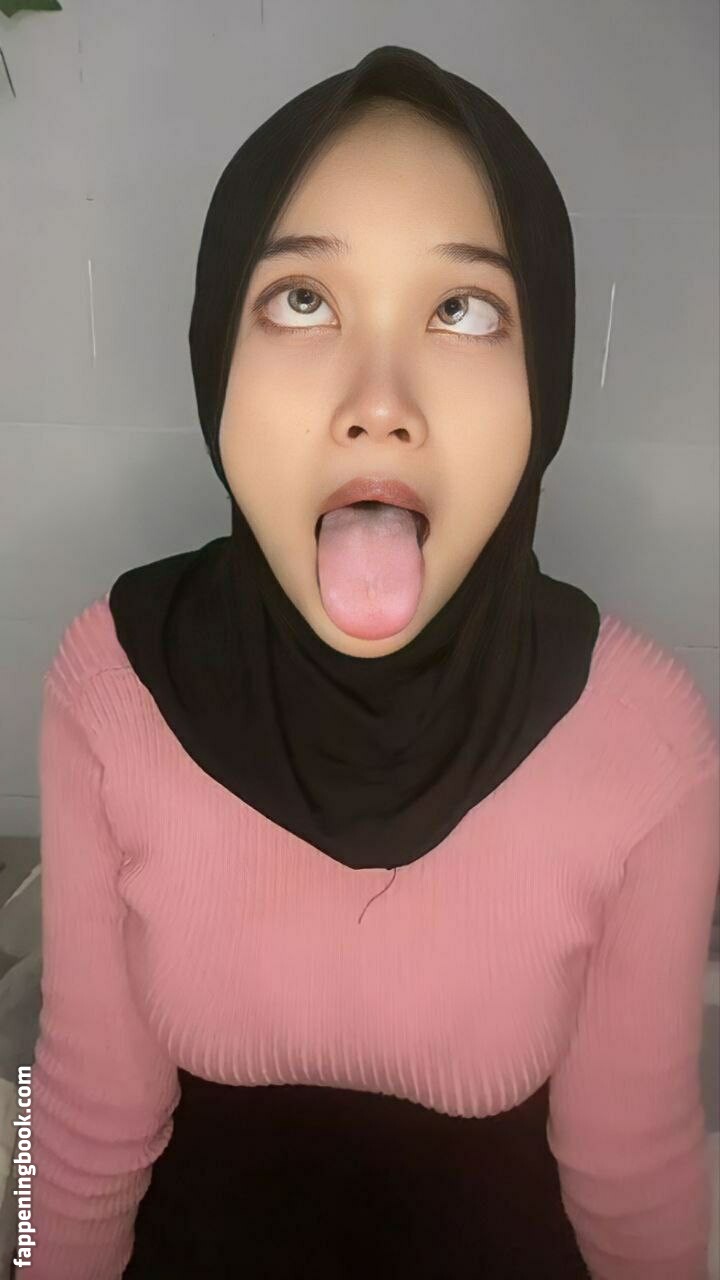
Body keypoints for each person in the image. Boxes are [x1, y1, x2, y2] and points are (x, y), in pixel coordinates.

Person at [15, 45, 719, 1280]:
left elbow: (638, 1165)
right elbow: (68, 1116)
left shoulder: (649, 741)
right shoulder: (108, 685)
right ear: (215, 357)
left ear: (543, 376)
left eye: (464, 310)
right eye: (301, 300)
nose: (378, 400)